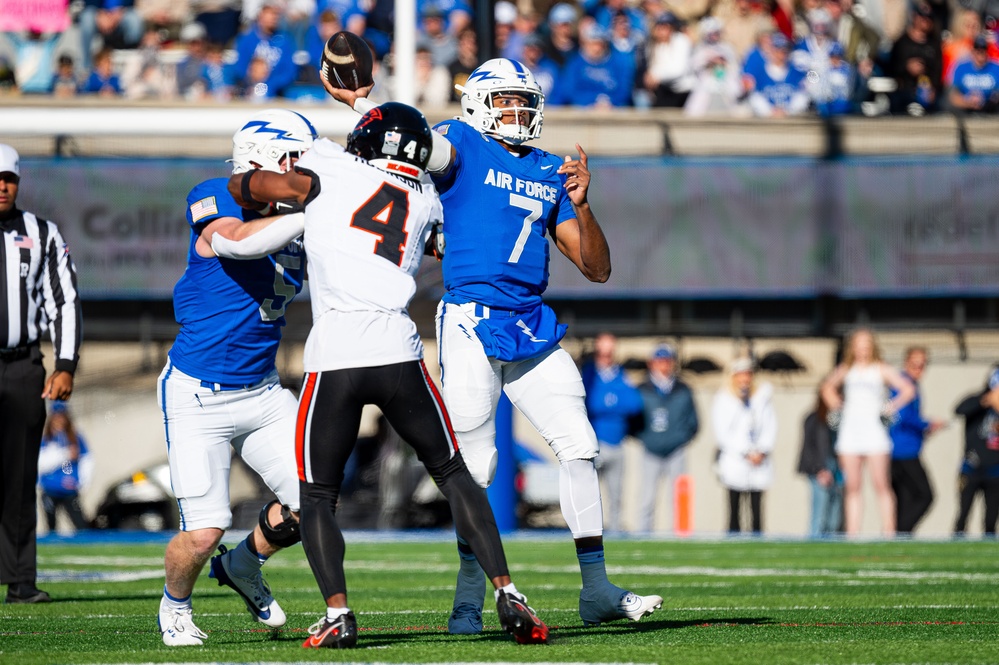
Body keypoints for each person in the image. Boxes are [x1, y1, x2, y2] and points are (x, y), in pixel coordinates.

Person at [325, 57, 662, 631]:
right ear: (479, 103)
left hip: (531, 324)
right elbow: (404, 138)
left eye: (523, 102)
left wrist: (581, 204)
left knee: (580, 447)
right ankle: (467, 598)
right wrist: (363, 102)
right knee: (474, 466)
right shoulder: (460, 144)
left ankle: (597, 587)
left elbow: (597, 268)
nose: (515, 111)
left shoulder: (552, 170)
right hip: (470, 321)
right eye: (504, 100)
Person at [227, 101, 549, 647]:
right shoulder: (424, 195)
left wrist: (250, 179)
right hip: (399, 349)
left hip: (337, 354)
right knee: (453, 475)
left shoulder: (329, 169)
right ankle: (507, 591)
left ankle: (338, 614)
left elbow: (251, 188)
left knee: (318, 496)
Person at [156, 109, 316, 646]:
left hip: (263, 394)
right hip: (198, 393)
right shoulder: (218, 194)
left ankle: (244, 565)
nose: (304, 170)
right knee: (204, 532)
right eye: (295, 158)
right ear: (261, 159)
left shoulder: (297, 219)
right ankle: (175, 603)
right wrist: (313, 215)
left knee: (315, 498)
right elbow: (236, 242)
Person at [0, 143, 82, 604]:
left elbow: (64, 302)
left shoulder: (42, 233)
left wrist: (65, 364)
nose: (2, 186)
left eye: (8, 178)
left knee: (19, 475)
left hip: (21, 365)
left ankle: (20, 581)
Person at [821, 328, 915, 537]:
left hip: (874, 432)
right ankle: (853, 533)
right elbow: (826, 387)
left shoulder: (881, 369)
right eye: (859, 346)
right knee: (852, 486)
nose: (862, 350)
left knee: (881, 484)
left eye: (866, 346)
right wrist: (836, 404)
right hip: (851, 433)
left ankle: (889, 531)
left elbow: (908, 389)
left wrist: (891, 406)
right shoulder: (846, 369)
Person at [581, 332, 643, 532]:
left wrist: (608, 403)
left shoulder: (620, 374)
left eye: (610, 353)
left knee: (617, 496)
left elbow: (634, 404)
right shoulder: (589, 374)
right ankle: (589, 533)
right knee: (589, 496)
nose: (606, 357)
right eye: (602, 353)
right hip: (594, 444)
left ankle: (615, 534)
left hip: (617, 444)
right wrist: (613, 402)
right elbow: (591, 404)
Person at [635, 343, 699, 532]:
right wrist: (646, 438)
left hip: (676, 450)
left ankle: (681, 536)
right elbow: (633, 421)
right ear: (651, 363)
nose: (663, 365)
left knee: (679, 498)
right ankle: (643, 537)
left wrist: (679, 439)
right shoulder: (642, 389)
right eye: (659, 360)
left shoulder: (683, 389)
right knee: (646, 498)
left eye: (667, 361)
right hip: (651, 450)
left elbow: (694, 422)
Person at [712, 357, 776, 535]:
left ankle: (758, 539)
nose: (744, 380)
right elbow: (723, 433)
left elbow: (770, 427)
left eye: (747, 375)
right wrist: (745, 452)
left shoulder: (762, 398)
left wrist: (761, 450)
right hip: (735, 461)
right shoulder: (724, 399)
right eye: (740, 375)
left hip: (758, 461)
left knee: (756, 508)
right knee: (734, 507)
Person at [889, 346, 946, 535]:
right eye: (915, 365)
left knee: (906, 498)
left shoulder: (912, 384)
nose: (919, 369)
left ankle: (901, 536)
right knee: (925, 495)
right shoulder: (904, 384)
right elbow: (902, 415)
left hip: (906, 448)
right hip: (902, 452)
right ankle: (902, 532)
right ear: (906, 363)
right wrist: (927, 424)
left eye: (923, 365)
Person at [952, 368, 999, 536]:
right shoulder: (978, 400)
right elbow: (959, 410)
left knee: (991, 520)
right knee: (963, 514)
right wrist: (984, 401)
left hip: (995, 471)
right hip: (972, 467)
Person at [38, 400, 93, 533]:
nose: (59, 420)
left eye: (62, 416)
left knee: (81, 525)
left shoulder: (75, 437)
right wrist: (66, 454)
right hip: (50, 491)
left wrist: (82, 483)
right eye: (56, 416)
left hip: (70, 491)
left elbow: (87, 460)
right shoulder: (46, 439)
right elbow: (41, 464)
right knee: (51, 527)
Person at [796, 387, 844, 537]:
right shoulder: (814, 418)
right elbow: (809, 448)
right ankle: (815, 541)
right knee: (820, 512)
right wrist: (820, 469)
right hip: (820, 469)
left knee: (835, 514)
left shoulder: (838, 419)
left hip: (835, 468)